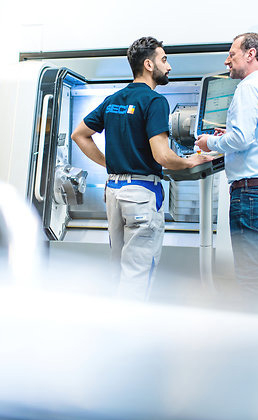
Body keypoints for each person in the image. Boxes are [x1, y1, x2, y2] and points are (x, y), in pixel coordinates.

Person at [71, 36, 212, 301]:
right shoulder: (155, 102)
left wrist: (109, 164)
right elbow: (163, 157)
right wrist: (191, 160)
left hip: (113, 192)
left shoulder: (113, 99)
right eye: (164, 59)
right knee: (138, 273)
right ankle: (131, 335)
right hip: (141, 194)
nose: (168, 67)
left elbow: (79, 135)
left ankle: (115, 329)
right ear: (149, 64)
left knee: (119, 269)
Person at [194, 33, 258, 313]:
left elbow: (242, 139)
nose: (227, 61)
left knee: (251, 279)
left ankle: (257, 345)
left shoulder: (247, 89)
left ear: (250, 54)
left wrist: (209, 142)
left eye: (232, 54)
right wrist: (233, 135)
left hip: (251, 194)